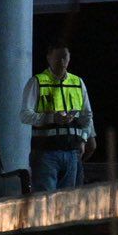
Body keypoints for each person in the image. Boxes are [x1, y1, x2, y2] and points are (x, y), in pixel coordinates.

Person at [21, 45, 95, 192]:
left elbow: (87, 115)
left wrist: (84, 139)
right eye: (57, 58)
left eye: (64, 58)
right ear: (49, 58)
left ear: (69, 59)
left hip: (71, 151)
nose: (62, 62)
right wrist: (52, 118)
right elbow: (25, 115)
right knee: (45, 200)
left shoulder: (77, 83)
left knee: (67, 204)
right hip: (45, 152)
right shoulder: (37, 82)